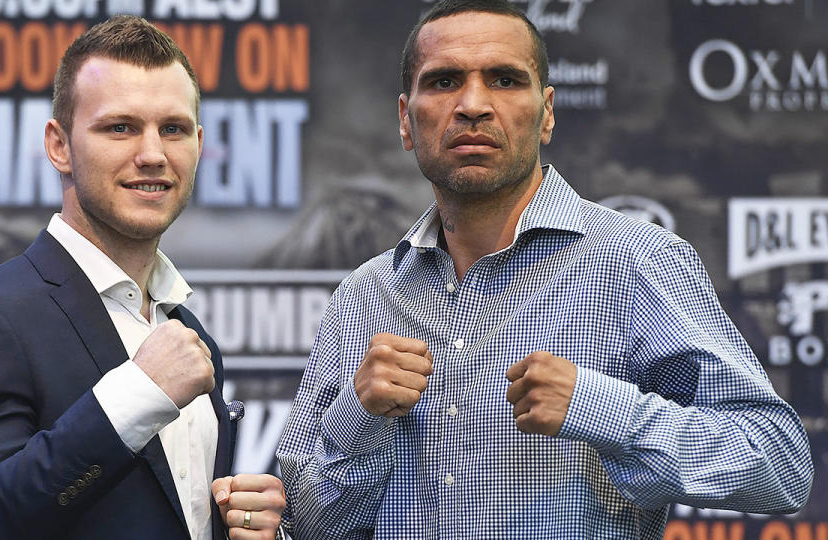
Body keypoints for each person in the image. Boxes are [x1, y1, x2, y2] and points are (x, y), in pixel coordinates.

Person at [275, 1, 813, 538]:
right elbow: (306, 526)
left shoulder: (636, 262)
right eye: (443, 82)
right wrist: (359, 419)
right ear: (405, 120)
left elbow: (779, 463)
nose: (472, 105)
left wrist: (598, 408)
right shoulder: (363, 297)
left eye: (505, 80)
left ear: (548, 112)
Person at [0, 16, 284, 540]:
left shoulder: (189, 337)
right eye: (120, 127)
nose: (153, 154)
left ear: (198, 144)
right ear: (59, 145)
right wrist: (137, 393)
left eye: (172, 129)